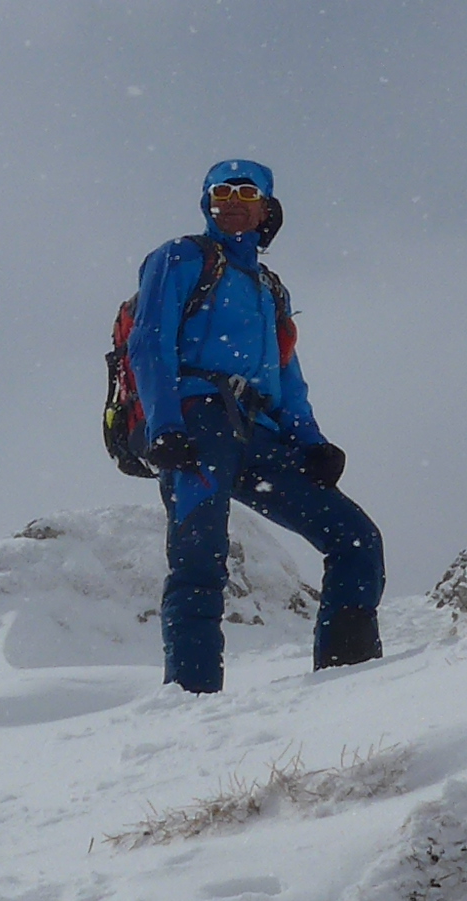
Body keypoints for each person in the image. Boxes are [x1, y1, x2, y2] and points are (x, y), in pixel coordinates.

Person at [127, 158, 386, 692]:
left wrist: (312, 442)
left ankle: (349, 685)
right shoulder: (181, 257)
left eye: (247, 193)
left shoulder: (270, 288)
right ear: (207, 202)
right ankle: (192, 702)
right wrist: (165, 425)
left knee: (356, 540)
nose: (233, 201)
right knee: (199, 558)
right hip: (198, 422)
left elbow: (286, 375)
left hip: (259, 433)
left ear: (267, 208)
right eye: (221, 192)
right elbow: (150, 342)